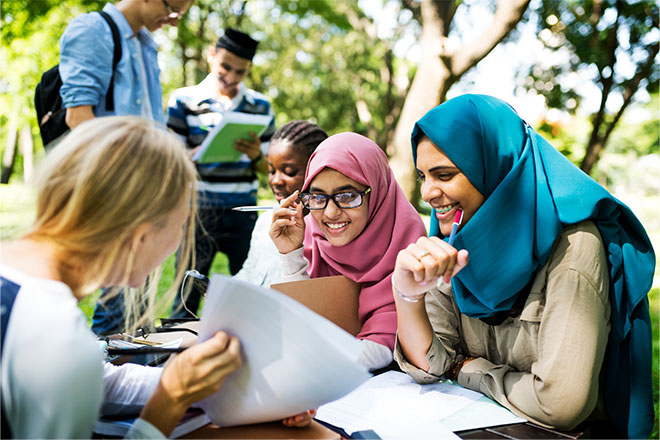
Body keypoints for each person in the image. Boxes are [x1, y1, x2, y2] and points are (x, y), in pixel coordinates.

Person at [0, 116, 311, 438]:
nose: (180, 239)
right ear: (141, 236)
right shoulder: (56, 337)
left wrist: (203, 383)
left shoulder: (25, 296)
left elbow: (99, 380)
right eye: (180, 224)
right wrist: (170, 400)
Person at [391, 94, 655, 438]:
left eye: (444, 174)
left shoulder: (574, 247)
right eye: (423, 175)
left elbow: (560, 405)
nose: (426, 192)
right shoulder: (454, 240)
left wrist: (467, 370)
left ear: (496, 167)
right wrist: (406, 296)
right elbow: (431, 366)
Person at [58, 0, 194, 334]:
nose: (175, 20)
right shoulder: (94, 31)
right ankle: (101, 372)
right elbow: (78, 117)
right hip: (117, 189)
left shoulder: (147, 44)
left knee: (138, 303)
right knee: (117, 299)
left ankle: (129, 368)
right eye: (172, 7)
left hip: (149, 190)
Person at [269, 133, 427, 371]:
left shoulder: (407, 244)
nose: (331, 212)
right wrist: (291, 253)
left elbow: (382, 346)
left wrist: (311, 354)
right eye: (318, 197)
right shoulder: (313, 235)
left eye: (347, 196)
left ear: (377, 192)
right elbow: (300, 321)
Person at [167, 28, 275, 318]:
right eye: (225, 67)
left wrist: (256, 155)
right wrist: (197, 153)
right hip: (198, 210)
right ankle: (176, 355)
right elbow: (170, 161)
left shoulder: (261, 106)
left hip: (244, 209)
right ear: (211, 56)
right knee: (186, 293)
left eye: (240, 72)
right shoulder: (183, 100)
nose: (231, 76)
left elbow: (270, 169)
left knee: (251, 289)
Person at [234, 120, 328, 288]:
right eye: (271, 171)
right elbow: (250, 271)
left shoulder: (328, 228)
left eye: (289, 172)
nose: (276, 180)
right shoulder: (265, 221)